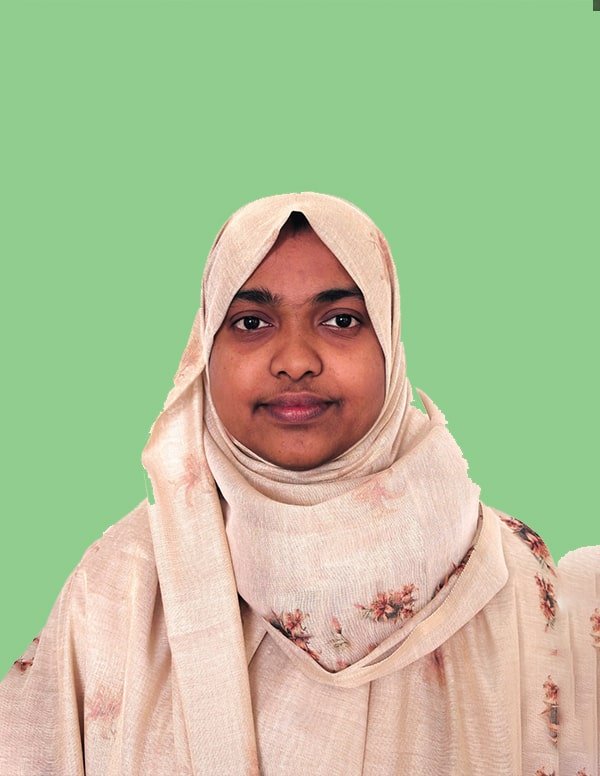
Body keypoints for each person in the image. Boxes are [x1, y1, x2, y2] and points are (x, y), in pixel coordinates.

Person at [0, 192, 596, 775]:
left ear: (390, 344)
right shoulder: (121, 588)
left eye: (341, 320)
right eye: (251, 322)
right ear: (205, 351)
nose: (295, 359)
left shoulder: (509, 574)